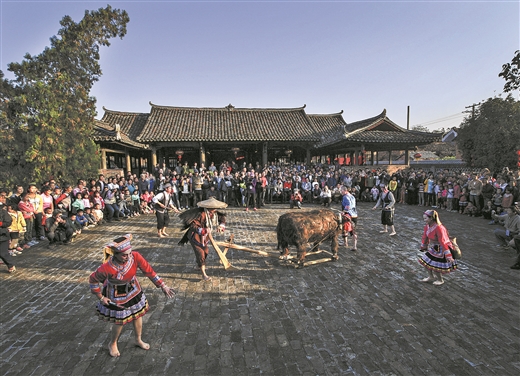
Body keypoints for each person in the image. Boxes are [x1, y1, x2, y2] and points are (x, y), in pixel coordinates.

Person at [89, 234, 175, 357]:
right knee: (119, 321)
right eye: (124, 255)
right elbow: (92, 280)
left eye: (129, 253)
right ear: (115, 254)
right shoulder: (106, 267)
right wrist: (101, 298)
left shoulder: (135, 256)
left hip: (134, 290)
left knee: (138, 315)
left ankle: (138, 339)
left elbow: (148, 270)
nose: (128, 257)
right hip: (116, 294)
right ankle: (113, 343)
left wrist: (163, 285)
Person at [178, 197, 227, 281]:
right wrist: (203, 230)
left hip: (205, 237)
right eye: (213, 208)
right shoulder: (200, 214)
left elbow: (222, 219)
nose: (215, 209)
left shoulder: (214, 213)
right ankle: (204, 274)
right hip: (195, 236)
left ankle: (199, 265)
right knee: (200, 253)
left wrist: (221, 226)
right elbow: (193, 226)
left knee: (206, 251)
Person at [418, 210, 457, 285]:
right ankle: (431, 276)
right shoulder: (427, 226)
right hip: (435, 247)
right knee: (426, 261)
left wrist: (448, 255)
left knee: (436, 265)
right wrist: (424, 246)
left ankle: (440, 279)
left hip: (443, 248)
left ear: (431, 218)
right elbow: (425, 237)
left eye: (426, 219)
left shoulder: (439, 228)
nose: (424, 220)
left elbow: (443, 241)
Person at [0, 189, 15, 273]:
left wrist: (1, 223)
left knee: (3, 253)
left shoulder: (3, 211)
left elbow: (8, 221)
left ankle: (10, 265)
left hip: (2, 235)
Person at [341, 187, 359, 251]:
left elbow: (348, 205)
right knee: (353, 231)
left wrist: (344, 211)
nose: (341, 192)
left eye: (342, 190)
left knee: (345, 229)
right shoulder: (352, 196)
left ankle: (345, 243)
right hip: (355, 215)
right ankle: (354, 246)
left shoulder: (345, 197)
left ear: (345, 191)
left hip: (348, 215)